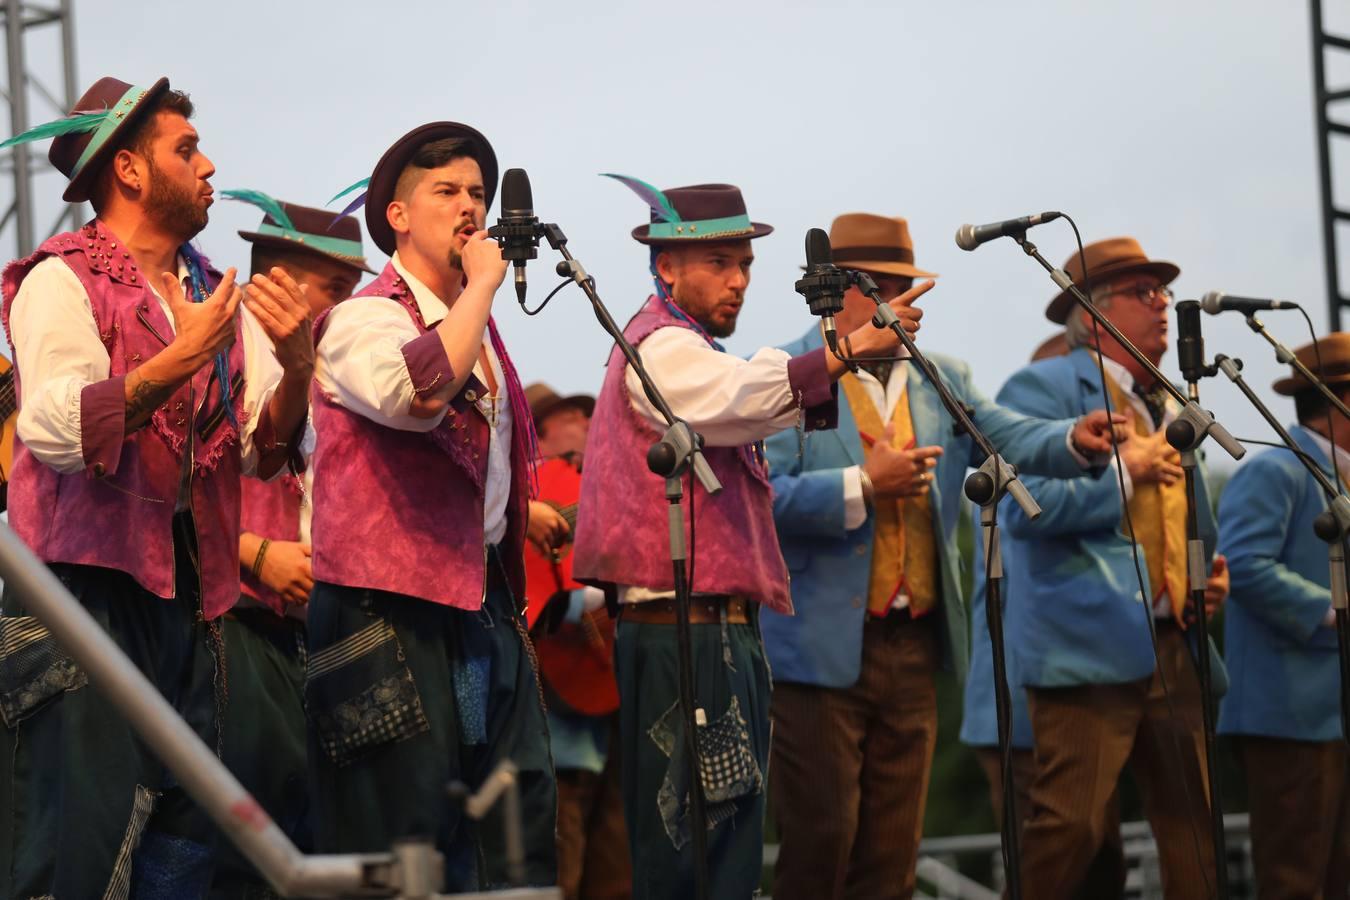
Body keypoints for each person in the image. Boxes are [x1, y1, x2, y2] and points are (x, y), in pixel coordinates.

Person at [573, 177, 930, 900]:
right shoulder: (662, 345)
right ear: (666, 265)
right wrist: (843, 351)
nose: (737, 281)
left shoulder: (685, 345)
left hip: (709, 630)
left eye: (744, 264)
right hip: (684, 632)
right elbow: (740, 399)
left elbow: (743, 398)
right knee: (694, 849)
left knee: (719, 845)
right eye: (718, 263)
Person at [0, 75, 313, 897]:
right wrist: (180, 357)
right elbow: (56, 429)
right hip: (80, 602)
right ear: (130, 169)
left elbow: (259, 453)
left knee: (184, 851)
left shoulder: (212, 292)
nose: (209, 165)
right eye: (186, 149)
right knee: (80, 852)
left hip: (192, 609)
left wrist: (300, 368)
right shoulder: (60, 279)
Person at [759, 213, 1121, 900]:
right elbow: (760, 497)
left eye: (912, 288)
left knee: (894, 851)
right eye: (895, 288)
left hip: (914, 644)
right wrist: (864, 483)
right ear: (846, 292)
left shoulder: (937, 375)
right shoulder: (788, 372)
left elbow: (1005, 432)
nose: (911, 305)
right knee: (822, 842)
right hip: (815, 646)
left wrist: (1074, 436)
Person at [305, 121, 557, 892]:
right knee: (406, 831)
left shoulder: (477, 331)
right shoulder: (363, 318)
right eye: (446, 192)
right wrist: (481, 284)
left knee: (516, 821)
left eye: (478, 193)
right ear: (398, 216)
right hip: (383, 614)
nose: (471, 209)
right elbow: (417, 392)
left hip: (481, 602)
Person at [998, 236, 1229, 899]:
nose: (1162, 307)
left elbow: (1185, 513)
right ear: (1093, 315)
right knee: (1068, 829)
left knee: (1195, 828)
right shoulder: (1040, 388)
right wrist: (1123, 476)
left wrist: (1204, 575)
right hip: (1086, 644)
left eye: (1164, 293)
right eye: (1143, 293)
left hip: (1173, 642)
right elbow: (1025, 509)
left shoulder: (1165, 398)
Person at [211, 193, 373, 899]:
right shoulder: (216, 343)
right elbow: (168, 487)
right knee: (248, 826)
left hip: (304, 628)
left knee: (310, 822)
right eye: (335, 287)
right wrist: (254, 551)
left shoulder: (329, 363)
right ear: (278, 281)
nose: (345, 305)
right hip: (233, 622)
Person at [1217, 334, 1350, 900]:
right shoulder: (1278, 469)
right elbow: (1242, 565)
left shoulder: (1333, 473)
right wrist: (1330, 611)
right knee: (1294, 876)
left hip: (1330, 710)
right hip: (1287, 711)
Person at [523, 382, 631, 900]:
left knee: (614, 844)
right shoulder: (530, 491)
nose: (587, 425)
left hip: (604, 685)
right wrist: (603, 597)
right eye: (572, 417)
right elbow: (534, 602)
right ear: (539, 429)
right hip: (554, 696)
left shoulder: (593, 485)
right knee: (561, 842)